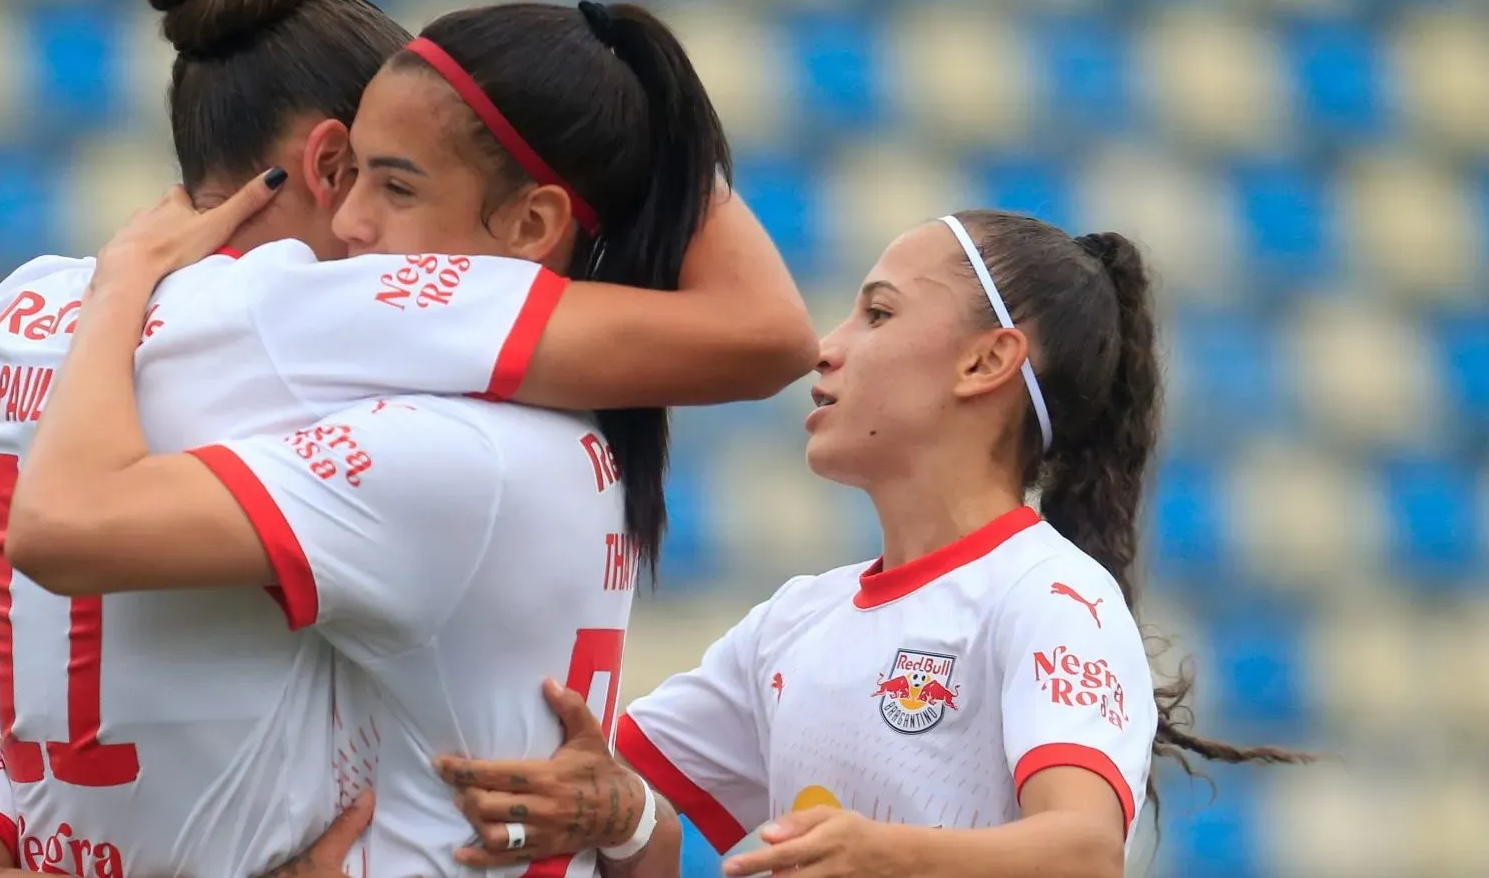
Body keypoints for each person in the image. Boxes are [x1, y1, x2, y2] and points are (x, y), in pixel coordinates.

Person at [0, 0, 816, 878]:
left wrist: (123, 284)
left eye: (402, 181)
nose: (363, 232)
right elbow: (764, 333)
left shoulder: (23, 313)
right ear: (328, 158)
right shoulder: (342, 333)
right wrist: (650, 106)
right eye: (368, 178)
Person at [429, 211, 1308, 878]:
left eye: (877, 314)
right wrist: (611, 810)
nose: (827, 348)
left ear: (986, 361)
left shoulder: (1049, 594)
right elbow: (634, 809)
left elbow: (1082, 850)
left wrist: (885, 851)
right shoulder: (795, 620)